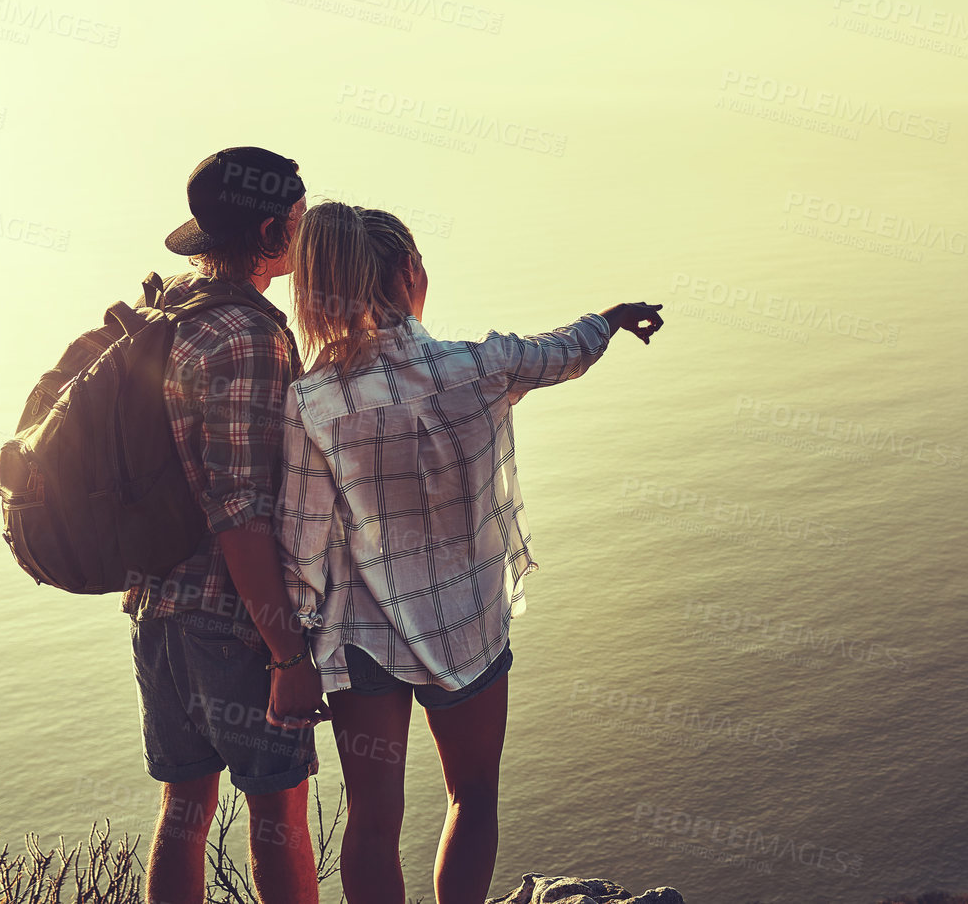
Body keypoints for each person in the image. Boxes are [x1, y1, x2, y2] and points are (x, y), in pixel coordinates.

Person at [275, 201, 662, 904]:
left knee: (371, 821)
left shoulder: (310, 402)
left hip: (363, 636)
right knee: (472, 794)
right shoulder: (479, 368)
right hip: (469, 624)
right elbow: (564, 350)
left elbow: (300, 541)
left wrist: (294, 650)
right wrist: (612, 316)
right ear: (406, 275)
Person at [124, 147, 331, 904]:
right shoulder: (250, 336)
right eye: (303, 223)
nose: (308, 237)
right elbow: (239, 509)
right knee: (277, 810)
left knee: (183, 806)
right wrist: (285, 653)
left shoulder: (173, 303)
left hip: (154, 604)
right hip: (231, 621)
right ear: (274, 229)